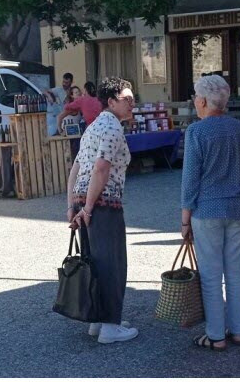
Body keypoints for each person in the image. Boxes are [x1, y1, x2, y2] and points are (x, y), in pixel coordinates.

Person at [181, 75, 240, 351]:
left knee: (211, 275)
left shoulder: (196, 132)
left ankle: (216, 335)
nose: (194, 100)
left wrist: (184, 218)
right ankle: (238, 330)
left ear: (202, 101)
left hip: (208, 210)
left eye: (195, 96)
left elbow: (191, 179)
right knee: (237, 271)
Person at [67, 77, 137, 344]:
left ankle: (99, 319)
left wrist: (72, 206)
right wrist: (87, 207)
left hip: (84, 199)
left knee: (94, 261)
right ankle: (110, 325)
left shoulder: (94, 126)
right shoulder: (112, 127)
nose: (132, 103)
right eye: (127, 99)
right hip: (102, 202)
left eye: (133, 99)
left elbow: (75, 168)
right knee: (112, 263)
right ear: (111, 101)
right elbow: (101, 167)